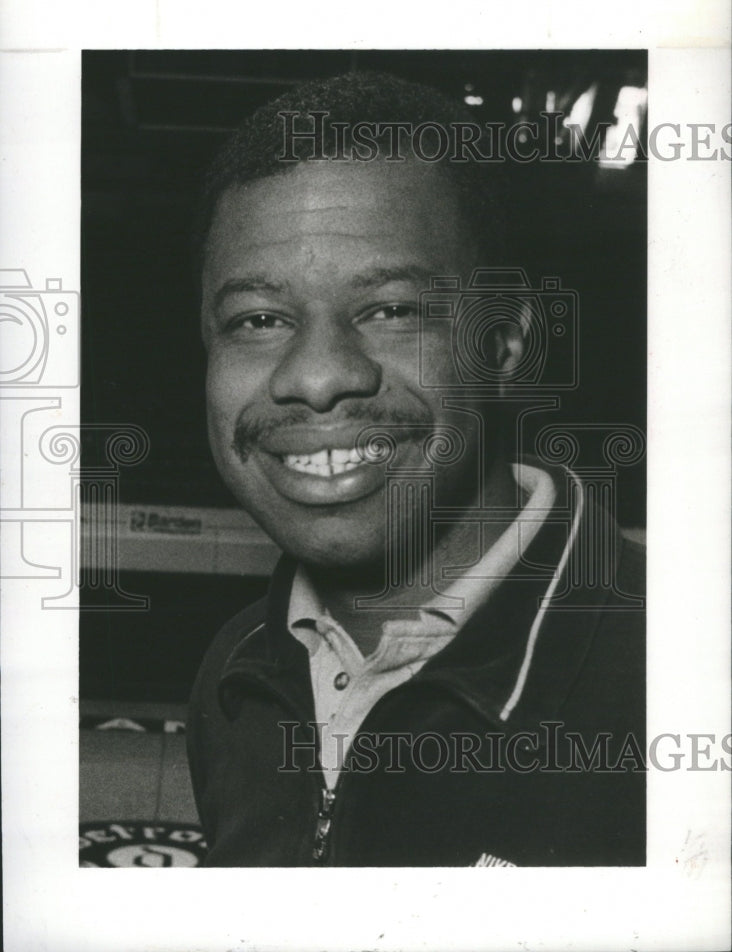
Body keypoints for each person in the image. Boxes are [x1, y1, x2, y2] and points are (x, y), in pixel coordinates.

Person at [186, 71, 645, 867]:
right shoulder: (233, 674)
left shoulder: (682, 674)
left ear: (504, 347)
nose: (317, 376)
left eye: (391, 309)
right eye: (259, 320)